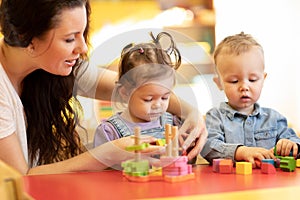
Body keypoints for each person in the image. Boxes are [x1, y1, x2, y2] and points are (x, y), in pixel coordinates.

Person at [0, 0, 206, 175]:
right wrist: (105, 154)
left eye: (82, 33)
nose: (82, 49)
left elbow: (138, 88)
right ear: (27, 39)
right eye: (70, 38)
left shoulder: (57, 67)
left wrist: (193, 114)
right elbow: (21, 178)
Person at [200, 32, 300, 168]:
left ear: (263, 79)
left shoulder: (274, 119)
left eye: (253, 80)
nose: (244, 87)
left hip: (270, 186)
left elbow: (295, 143)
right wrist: (240, 152)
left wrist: (290, 145)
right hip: (231, 186)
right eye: (234, 81)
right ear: (219, 83)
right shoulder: (215, 117)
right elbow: (208, 147)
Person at [93, 32, 183, 149]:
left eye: (165, 97)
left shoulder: (174, 124)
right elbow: (99, 166)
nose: (158, 105)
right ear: (125, 93)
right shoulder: (110, 132)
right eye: (148, 99)